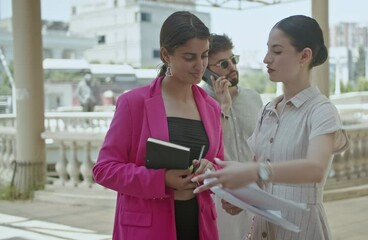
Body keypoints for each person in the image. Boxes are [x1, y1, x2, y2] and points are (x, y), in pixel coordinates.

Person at [192, 15, 350, 240]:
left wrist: (252, 171)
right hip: (263, 230)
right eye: (268, 50)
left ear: (305, 56)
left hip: (302, 230)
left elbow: (315, 169)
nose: (266, 59)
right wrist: (241, 196)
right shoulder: (267, 110)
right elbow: (259, 177)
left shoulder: (321, 110)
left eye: (276, 51)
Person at [92, 11, 224, 240]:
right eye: (189, 57)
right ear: (166, 54)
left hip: (199, 223)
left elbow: (220, 164)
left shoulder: (211, 107)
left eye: (204, 55)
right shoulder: (134, 103)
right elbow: (104, 170)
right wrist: (160, 179)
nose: (200, 65)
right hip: (147, 227)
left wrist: (210, 170)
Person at [201, 34, 263, 240]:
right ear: (206, 70)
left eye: (233, 60)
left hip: (255, 196)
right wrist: (223, 106)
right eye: (224, 63)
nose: (232, 67)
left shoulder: (254, 98)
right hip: (220, 202)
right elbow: (207, 148)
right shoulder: (198, 102)